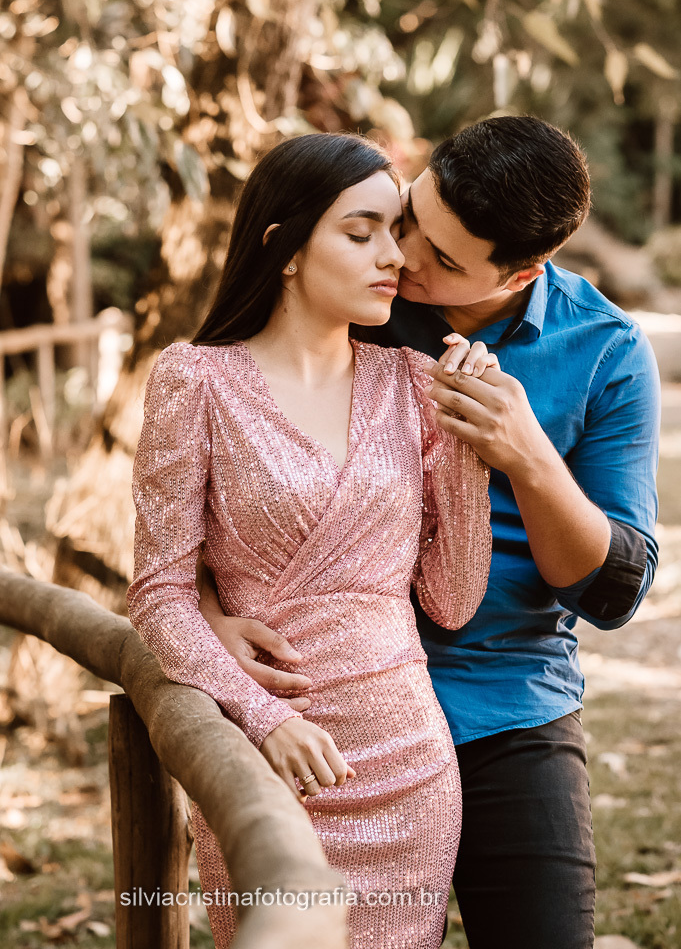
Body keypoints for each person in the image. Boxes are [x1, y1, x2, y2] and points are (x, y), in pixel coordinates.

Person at [198, 116, 661, 949]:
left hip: (507, 705)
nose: (401, 257)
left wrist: (527, 459)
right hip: (328, 702)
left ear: (521, 271)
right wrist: (208, 611)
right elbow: (216, 480)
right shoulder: (356, 296)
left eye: (443, 261)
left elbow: (609, 590)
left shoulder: (604, 351)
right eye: (410, 218)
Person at [127, 133, 497, 949]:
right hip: (267, 766)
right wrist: (261, 718)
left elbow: (453, 598)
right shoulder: (195, 380)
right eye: (358, 231)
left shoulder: (413, 385)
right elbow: (155, 592)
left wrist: (467, 443)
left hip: (408, 763)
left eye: (393, 231)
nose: (390, 257)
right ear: (285, 248)